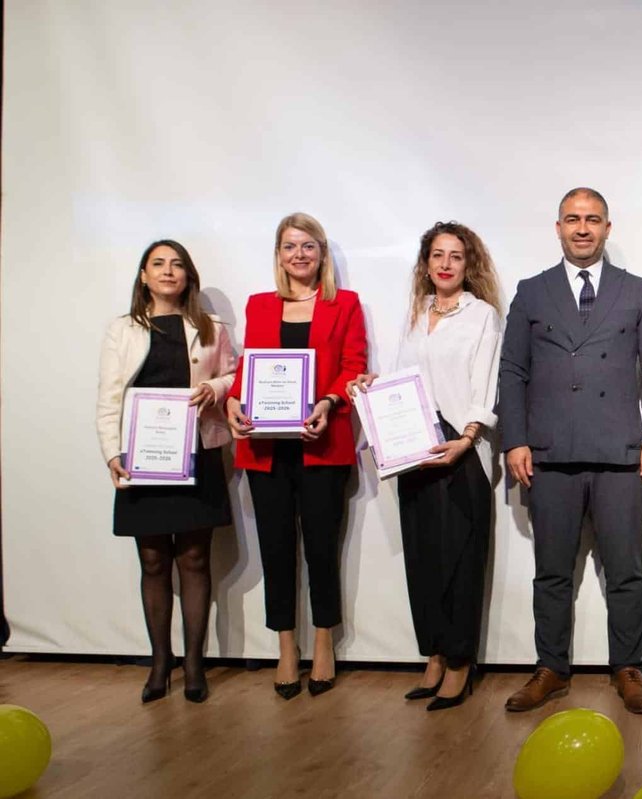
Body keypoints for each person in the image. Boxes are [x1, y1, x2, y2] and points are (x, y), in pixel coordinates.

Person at [499, 187, 642, 714]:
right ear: (558, 227)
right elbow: (513, 370)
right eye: (572, 219)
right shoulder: (532, 292)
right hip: (550, 452)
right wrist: (515, 439)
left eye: (592, 219)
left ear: (607, 228)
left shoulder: (636, 290)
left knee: (625, 570)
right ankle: (550, 668)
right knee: (552, 572)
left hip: (620, 452)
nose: (582, 228)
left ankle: (628, 668)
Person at [349, 221, 502, 711]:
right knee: (424, 558)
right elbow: (403, 379)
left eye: (456, 256)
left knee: (460, 561)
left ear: (468, 264)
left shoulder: (482, 316)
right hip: (415, 450)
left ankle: (459, 663)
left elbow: (485, 385)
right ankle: (434, 654)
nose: (446, 264)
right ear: (426, 263)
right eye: (438, 255)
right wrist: (372, 387)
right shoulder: (416, 313)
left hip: (460, 449)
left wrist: (467, 438)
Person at [225, 212, 367, 699]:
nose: (299, 254)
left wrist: (328, 402)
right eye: (290, 246)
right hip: (266, 449)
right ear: (279, 255)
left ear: (321, 254)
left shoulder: (344, 303)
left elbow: (353, 365)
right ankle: (286, 646)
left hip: (321, 445)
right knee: (276, 548)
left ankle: (324, 642)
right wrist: (233, 402)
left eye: (308, 245)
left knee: (322, 548)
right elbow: (248, 370)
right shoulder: (260, 305)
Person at [96, 240, 236, 703]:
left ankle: (194, 664)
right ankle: (161, 662)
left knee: (194, 559)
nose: (168, 271)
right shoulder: (122, 329)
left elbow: (235, 374)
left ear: (188, 275)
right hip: (143, 457)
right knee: (153, 560)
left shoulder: (211, 326)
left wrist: (215, 388)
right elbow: (109, 396)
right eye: (158, 264)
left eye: (177, 264)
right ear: (144, 275)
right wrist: (112, 453)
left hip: (196, 454)